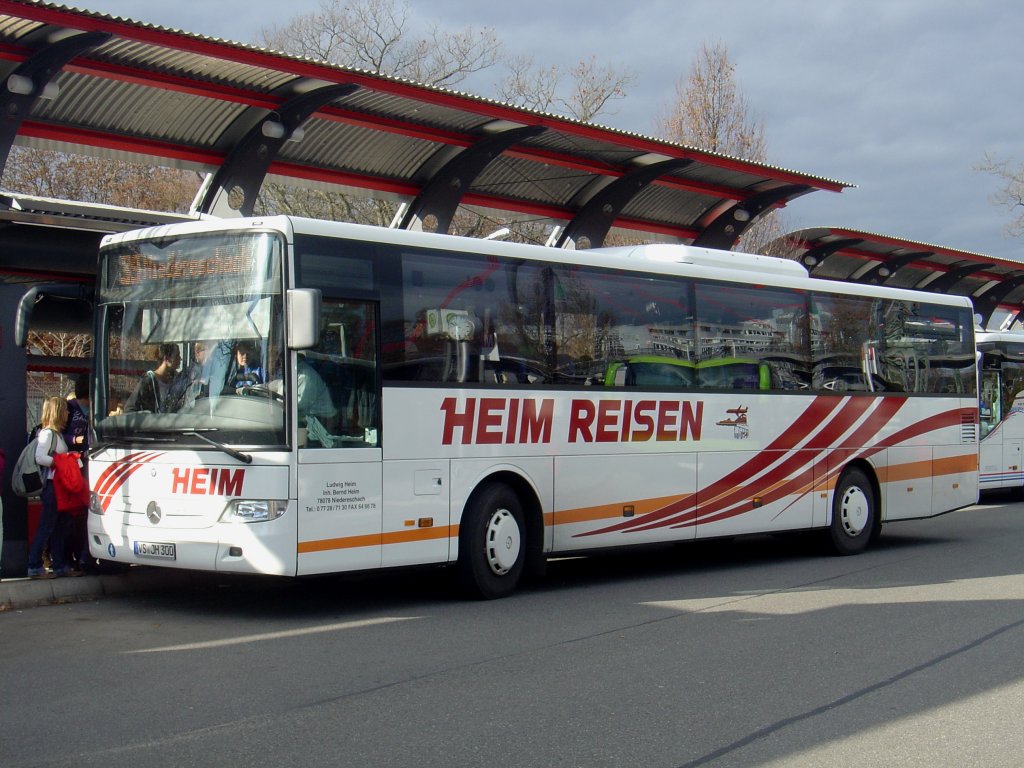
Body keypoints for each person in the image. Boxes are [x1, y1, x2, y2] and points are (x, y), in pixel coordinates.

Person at [26, 397, 78, 579]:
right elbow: (40, 457)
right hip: (53, 487)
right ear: (57, 412)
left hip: (57, 487)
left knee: (58, 527)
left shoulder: (54, 434)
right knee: (47, 527)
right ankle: (34, 565)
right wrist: (62, 462)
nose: (68, 413)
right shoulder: (48, 434)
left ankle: (59, 564)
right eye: (64, 410)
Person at [63, 373, 95, 574]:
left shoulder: (95, 409)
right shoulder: (69, 409)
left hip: (88, 469)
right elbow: (57, 433)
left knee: (85, 515)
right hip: (70, 472)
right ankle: (68, 558)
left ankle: (84, 558)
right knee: (69, 518)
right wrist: (75, 441)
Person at [124, 343, 182, 413]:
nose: (180, 359)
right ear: (167, 359)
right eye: (177, 356)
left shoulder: (177, 380)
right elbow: (130, 409)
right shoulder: (148, 380)